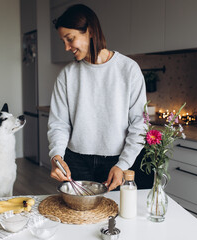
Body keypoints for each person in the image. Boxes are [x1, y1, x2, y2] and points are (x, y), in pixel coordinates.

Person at [48, 4, 147, 191]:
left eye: (70, 39)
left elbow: (139, 124)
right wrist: (56, 156)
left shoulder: (128, 69)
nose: (67, 47)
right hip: (75, 162)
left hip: (116, 163)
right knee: (79, 218)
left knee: (115, 217)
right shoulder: (67, 75)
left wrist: (123, 165)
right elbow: (59, 124)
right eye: (64, 42)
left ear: (90, 31)